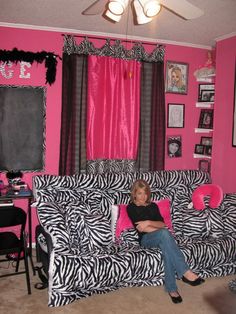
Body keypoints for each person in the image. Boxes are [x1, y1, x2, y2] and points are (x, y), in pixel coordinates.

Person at [127, 180, 205, 304]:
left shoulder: (153, 206)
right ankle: (185, 271)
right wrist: (160, 231)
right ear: (134, 194)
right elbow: (142, 228)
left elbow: (162, 223)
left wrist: (148, 222)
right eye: (140, 193)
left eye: (146, 193)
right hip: (146, 239)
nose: (143, 196)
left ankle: (171, 289)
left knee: (166, 247)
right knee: (164, 234)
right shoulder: (131, 207)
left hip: (160, 236)